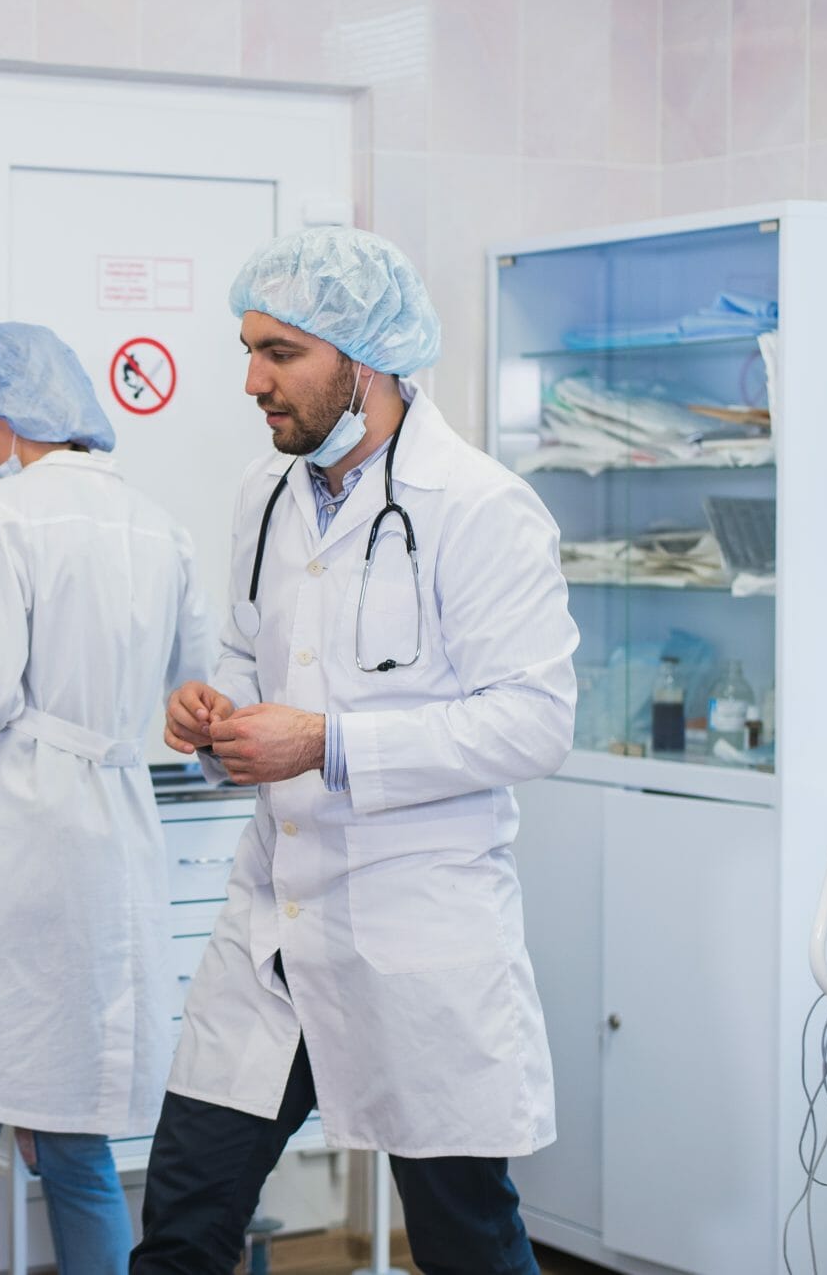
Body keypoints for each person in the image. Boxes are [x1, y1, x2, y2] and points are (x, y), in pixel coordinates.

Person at [131, 227, 578, 1275]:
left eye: (281, 353)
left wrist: (328, 745)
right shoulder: (267, 495)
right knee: (186, 1221)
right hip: (272, 929)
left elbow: (534, 720)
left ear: (364, 358)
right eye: (249, 350)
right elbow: (249, 657)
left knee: (466, 1238)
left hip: (414, 926)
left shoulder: (481, 509)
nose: (252, 380)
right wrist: (213, 716)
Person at [0, 322, 214, 1274]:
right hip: (116, 835)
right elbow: (197, 699)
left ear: (2, 418)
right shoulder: (162, 526)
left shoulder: (4, 518)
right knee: (77, 1138)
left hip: (18, 831)